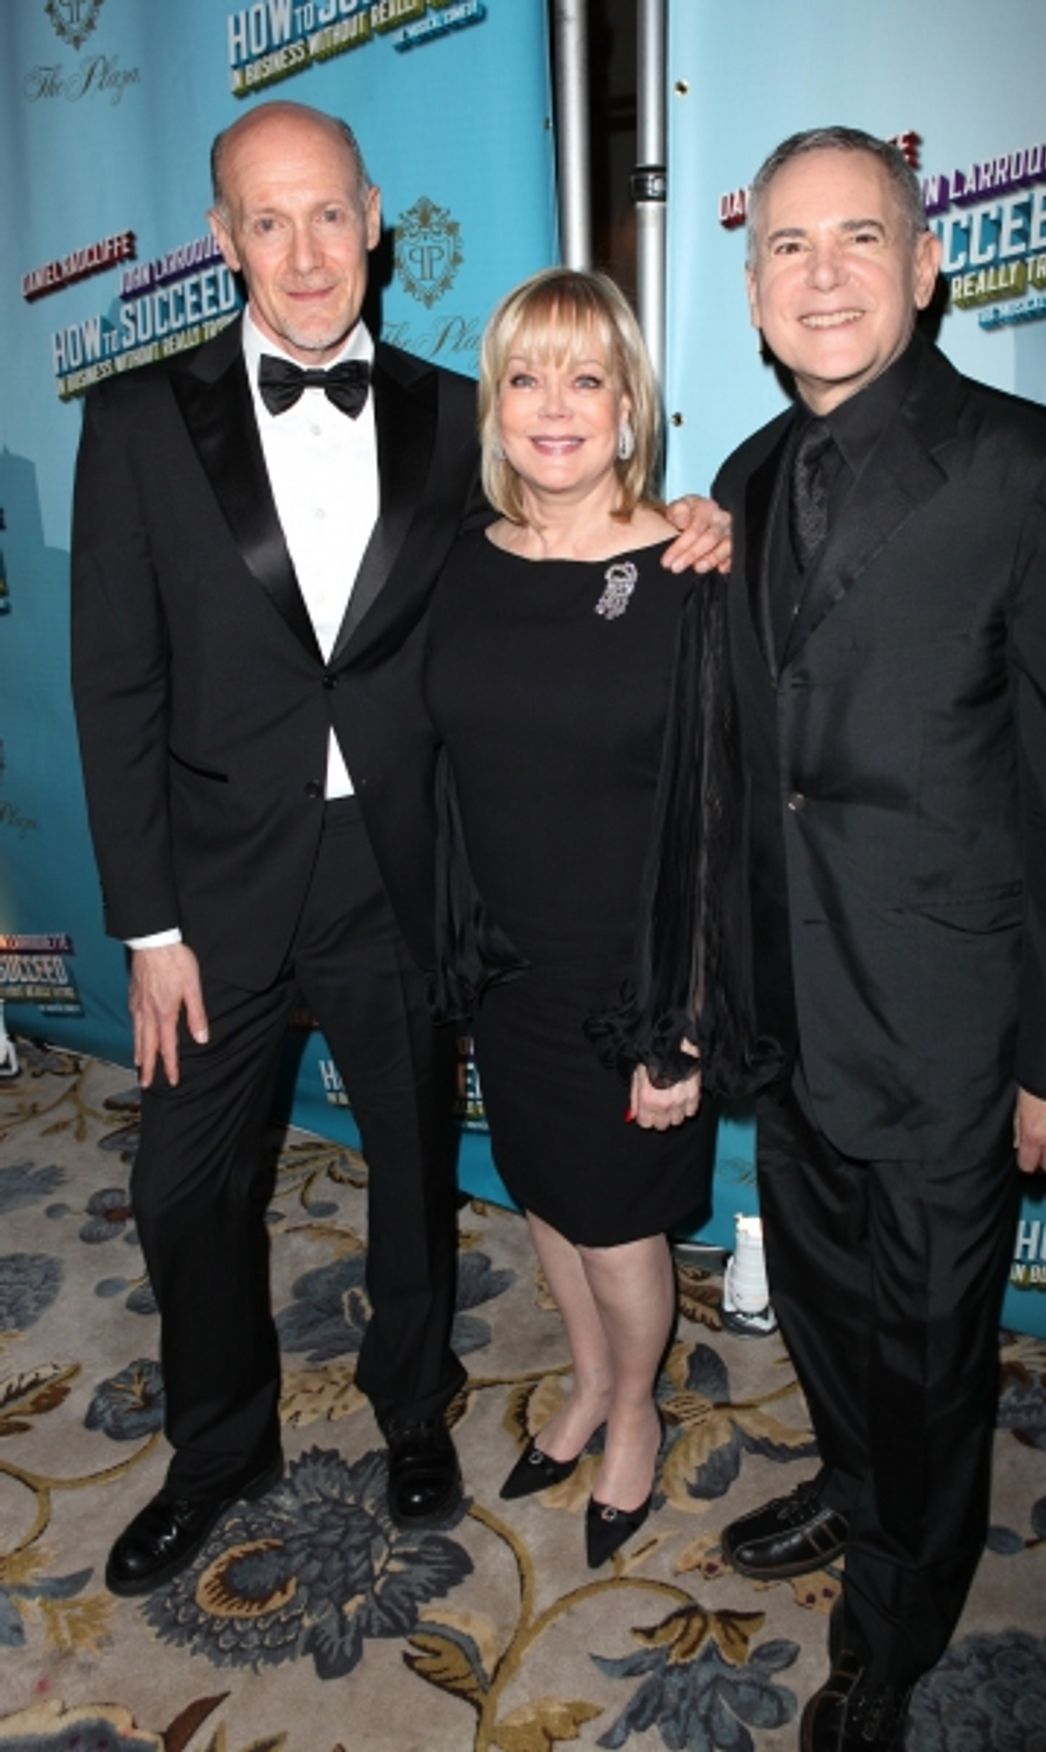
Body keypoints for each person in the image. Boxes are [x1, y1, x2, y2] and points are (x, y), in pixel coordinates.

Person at [69, 100, 730, 1599]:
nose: (303, 253)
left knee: (418, 1170)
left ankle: (412, 1405)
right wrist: (145, 923)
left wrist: (705, 519)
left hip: (409, 877)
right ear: (223, 239)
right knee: (184, 1186)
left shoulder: (457, 415)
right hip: (215, 895)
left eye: (327, 216)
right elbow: (113, 687)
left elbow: (575, 543)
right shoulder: (131, 424)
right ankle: (219, 1445)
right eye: (265, 220)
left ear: (375, 218)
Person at [713, 127, 1046, 1750]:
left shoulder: (1035, 472)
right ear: (751, 284)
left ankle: (896, 1619)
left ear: (925, 266)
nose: (820, 274)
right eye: (785, 246)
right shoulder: (749, 482)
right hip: (795, 1015)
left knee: (928, 1354)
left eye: (857, 240)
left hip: (951, 1023)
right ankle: (854, 1490)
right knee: (834, 1323)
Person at [424, 268, 769, 1567]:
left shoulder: (687, 572)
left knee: (623, 1232)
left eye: (587, 377)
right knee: (545, 1201)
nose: (553, 405)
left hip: (636, 982)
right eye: (525, 375)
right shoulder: (462, 560)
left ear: (630, 406)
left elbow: (722, 818)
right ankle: (583, 1381)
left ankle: (636, 1411)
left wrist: (679, 1021)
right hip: (506, 968)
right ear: (495, 405)